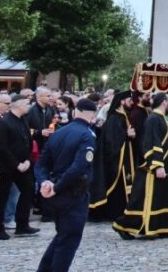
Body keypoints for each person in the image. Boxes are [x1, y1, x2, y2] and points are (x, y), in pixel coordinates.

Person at [33, 98, 97, 272]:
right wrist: (55, 186)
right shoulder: (87, 135)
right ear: (92, 114)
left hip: (57, 191)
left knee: (62, 236)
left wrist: (45, 181)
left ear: (75, 111)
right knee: (69, 240)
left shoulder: (60, 132)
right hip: (73, 192)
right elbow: (78, 166)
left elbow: (41, 164)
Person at [113, 93, 168, 239]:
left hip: (165, 164)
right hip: (155, 165)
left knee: (163, 197)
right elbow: (151, 142)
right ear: (164, 102)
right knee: (142, 199)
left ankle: (166, 227)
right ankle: (125, 226)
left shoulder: (162, 118)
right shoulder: (153, 119)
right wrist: (157, 165)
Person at [0, 94, 39, 238]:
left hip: (24, 164)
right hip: (6, 167)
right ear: (18, 105)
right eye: (26, 104)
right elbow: (2, 147)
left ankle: (22, 224)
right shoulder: (4, 123)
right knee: (2, 196)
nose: (28, 106)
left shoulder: (23, 120)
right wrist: (16, 164)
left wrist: (28, 161)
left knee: (28, 190)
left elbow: (28, 141)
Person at [88, 91, 136, 222]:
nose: (132, 102)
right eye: (129, 100)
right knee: (115, 186)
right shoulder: (115, 118)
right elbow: (112, 140)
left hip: (123, 157)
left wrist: (130, 136)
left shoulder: (123, 116)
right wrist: (127, 135)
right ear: (121, 101)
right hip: (114, 159)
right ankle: (112, 212)